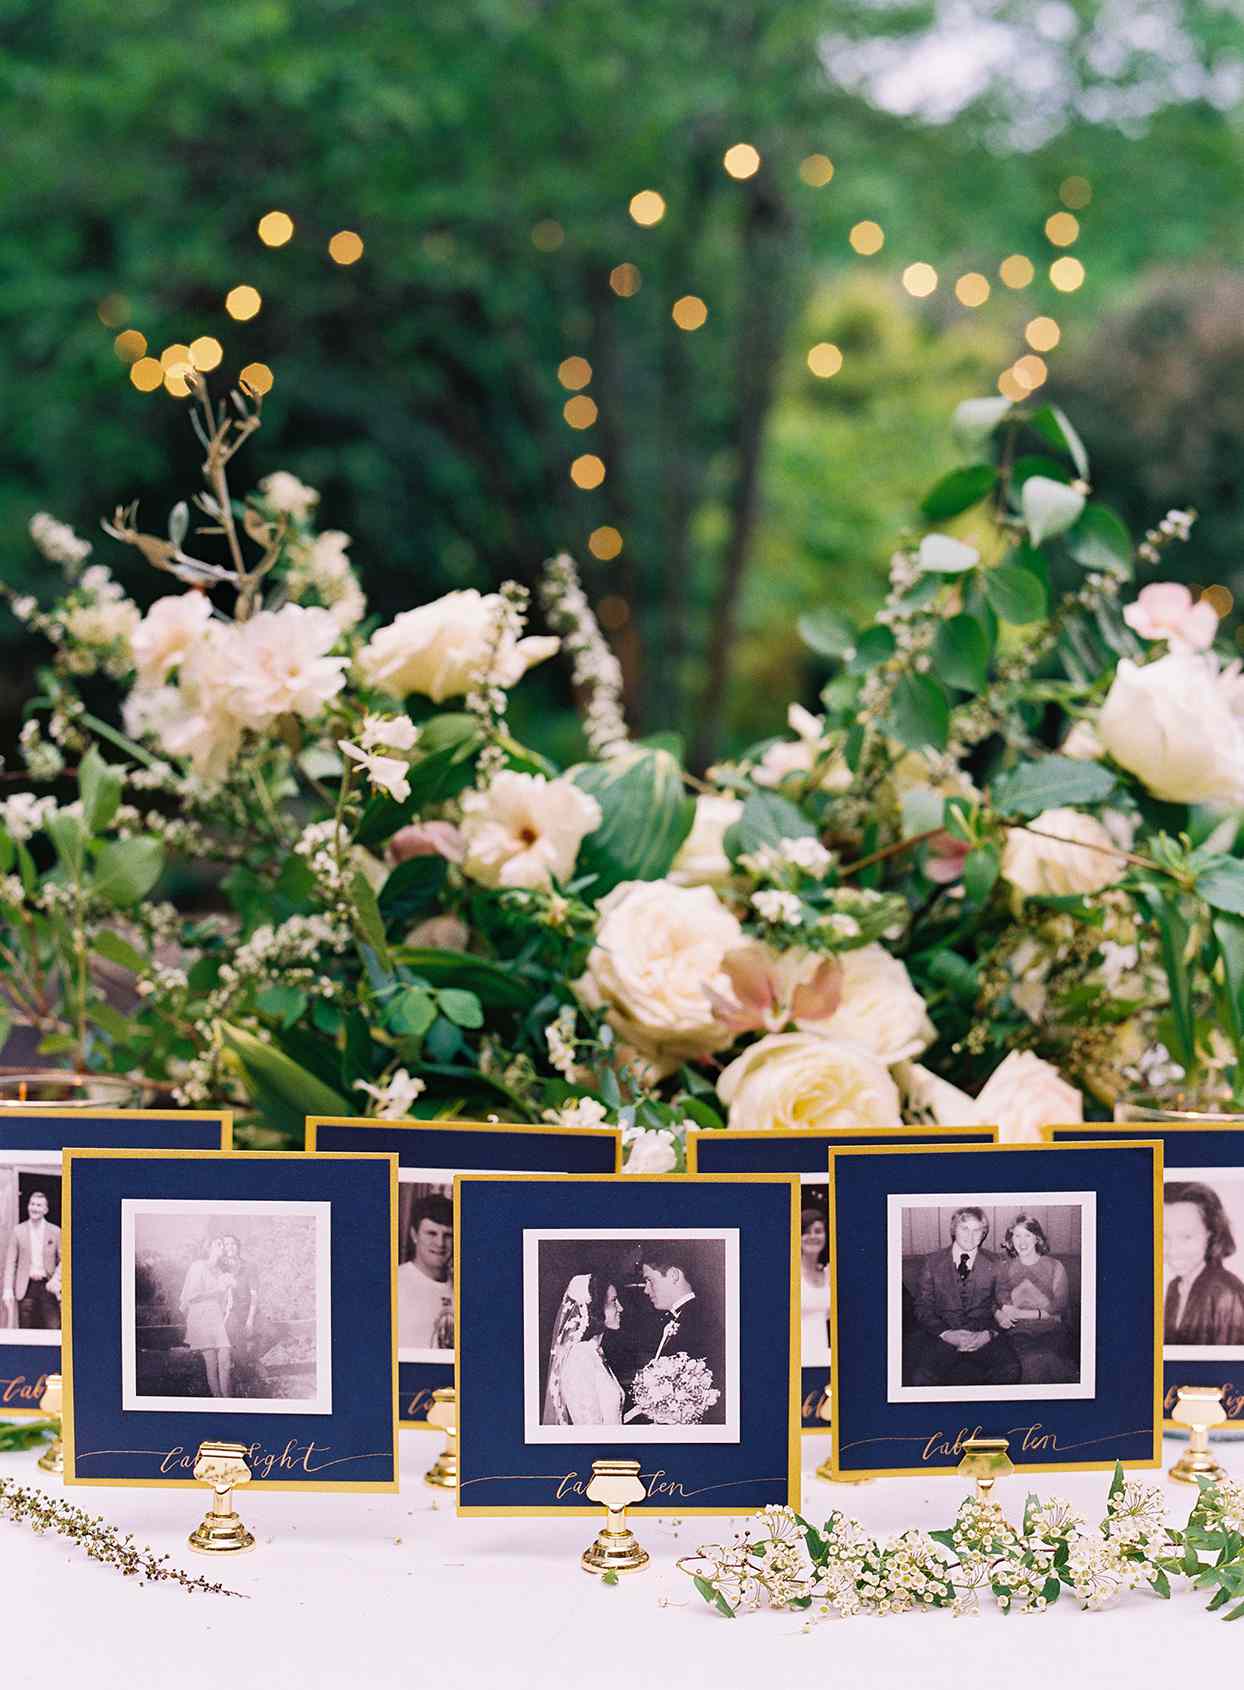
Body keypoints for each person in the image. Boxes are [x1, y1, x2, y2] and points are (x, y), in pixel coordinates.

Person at [908, 1206, 1021, 1387]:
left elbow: (1003, 1305)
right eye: (964, 1229)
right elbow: (923, 1307)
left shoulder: (997, 1262)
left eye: (977, 1230)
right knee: (921, 1376)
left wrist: (989, 1334)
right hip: (943, 1334)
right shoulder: (932, 1262)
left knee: (1011, 1370)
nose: (971, 1236)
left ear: (984, 1234)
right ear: (953, 1230)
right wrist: (946, 1334)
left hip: (982, 1334)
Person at [638, 1250, 726, 1420]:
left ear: (673, 1275)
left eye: (649, 1280)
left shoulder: (702, 1321)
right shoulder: (684, 1318)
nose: (646, 1290)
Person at [995, 1214, 1075, 1383]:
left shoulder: (1055, 1266)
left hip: (1052, 1329)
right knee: (1030, 1361)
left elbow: (1060, 1304)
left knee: (1048, 1358)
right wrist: (999, 1314)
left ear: (1037, 1238)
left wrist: (1020, 1314)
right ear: (1010, 1240)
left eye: (1028, 1235)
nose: (1022, 1242)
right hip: (1017, 1332)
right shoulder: (1004, 1267)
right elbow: (996, 1299)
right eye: (1017, 1235)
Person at [1164, 1181, 1244, 1347]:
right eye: (1163, 1237)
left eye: (1186, 1237)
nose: (1172, 1250)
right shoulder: (1174, 1287)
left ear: (1211, 1232)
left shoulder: (1227, 1294)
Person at [543, 1273, 626, 1424]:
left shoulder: (594, 1352)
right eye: (614, 1301)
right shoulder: (579, 1357)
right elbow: (590, 1428)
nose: (621, 1307)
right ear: (595, 1309)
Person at [397, 1194, 454, 1351]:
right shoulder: (394, 1283)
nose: (440, 1243)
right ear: (414, 1235)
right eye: (431, 1233)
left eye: (448, 1235)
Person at [178, 1236, 233, 1397]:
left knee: (225, 1358)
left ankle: (228, 1401)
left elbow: (224, 1298)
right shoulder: (198, 1266)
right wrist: (219, 1289)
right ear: (208, 1248)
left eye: (223, 1244)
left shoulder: (221, 1271)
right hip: (200, 1317)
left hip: (216, 1316)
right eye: (218, 1244)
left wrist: (227, 1294)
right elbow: (192, 1296)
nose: (222, 1246)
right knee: (211, 1363)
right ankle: (219, 1402)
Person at [2, 1188, 62, 1330]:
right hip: (26, 1287)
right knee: (26, 1329)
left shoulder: (55, 1231)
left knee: (53, 1327)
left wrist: (55, 1280)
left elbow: (64, 1260)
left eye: (39, 1205)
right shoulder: (18, 1231)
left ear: (45, 1210)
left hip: (48, 1286)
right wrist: (7, 1289)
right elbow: (11, 1263)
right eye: (32, 1204)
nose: (34, 1208)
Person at [220, 1235, 259, 1381]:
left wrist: (250, 1320)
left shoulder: (249, 1266)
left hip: (249, 1310)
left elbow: (254, 1294)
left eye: (233, 1244)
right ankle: (243, 1376)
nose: (230, 1247)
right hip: (231, 1312)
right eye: (226, 1244)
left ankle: (252, 1359)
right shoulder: (220, 1267)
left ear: (238, 1246)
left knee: (272, 1332)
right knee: (234, 1338)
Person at [800, 1204, 831, 1367]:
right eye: (805, 1231)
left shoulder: (828, 1276)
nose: (812, 1236)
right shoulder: (790, 1275)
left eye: (818, 1231)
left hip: (824, 1359)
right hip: (797, 1361)